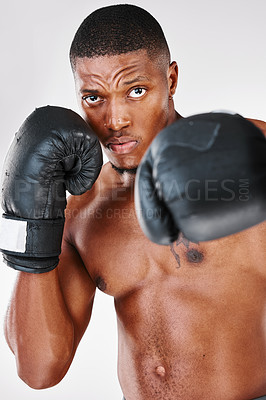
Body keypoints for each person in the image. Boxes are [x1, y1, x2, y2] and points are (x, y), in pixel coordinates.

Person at [1, 4, 266, 400]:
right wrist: (30, 222)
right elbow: (40, 371)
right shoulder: (80, 206)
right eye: (94, 97)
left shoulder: (248, 154)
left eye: (136, 90)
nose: (115, 119)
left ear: (171, 79)